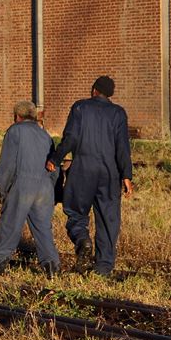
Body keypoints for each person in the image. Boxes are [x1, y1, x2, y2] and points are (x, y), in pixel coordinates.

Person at [46, 76, 133, 276]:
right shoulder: (118, 113)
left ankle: (82, 239)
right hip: (110, 175)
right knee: (108, 219)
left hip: (83, 170)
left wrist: (56, 158)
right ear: (110, 94)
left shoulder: (80, 108)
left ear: (94, 90)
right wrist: (126, 176)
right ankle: (103, 268)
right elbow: (122, 147)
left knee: (75, 212)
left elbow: (71, 139)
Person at [0, 100, 61, 277]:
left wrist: (0, 189)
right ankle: (51, 266)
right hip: (45, 186)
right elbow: (55, 166)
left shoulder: (14, 131)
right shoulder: (45, 135)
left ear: (17, 116)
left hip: (23, 185)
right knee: (42, 229)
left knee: (10, 224)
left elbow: (7, 165)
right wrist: (52, 189)